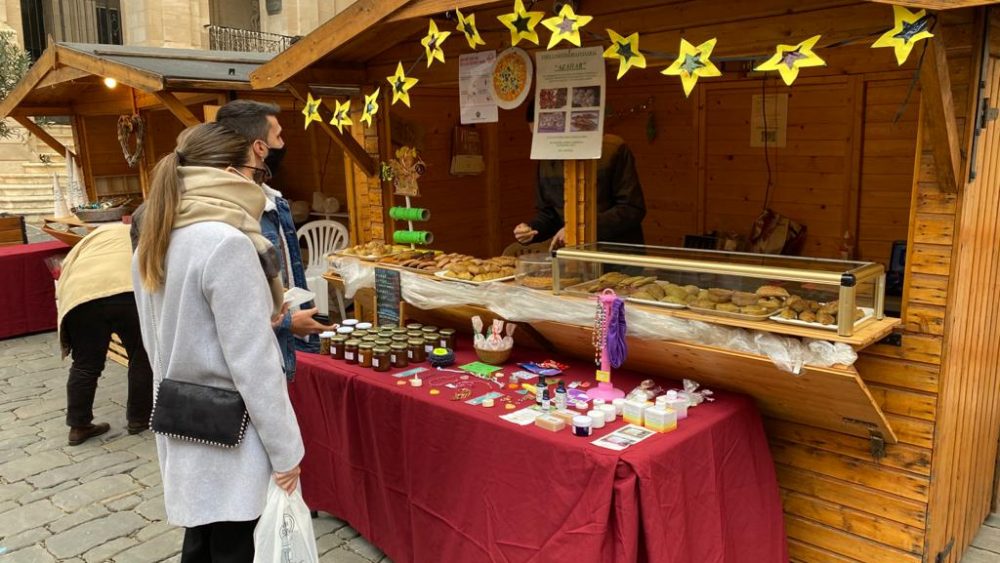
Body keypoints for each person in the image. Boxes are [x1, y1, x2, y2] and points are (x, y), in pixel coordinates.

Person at [133, 122, 303, 562]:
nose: (261, 182)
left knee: (202, 541)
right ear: (231, 171)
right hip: (234, 432)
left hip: (180, 417)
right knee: (234, 544)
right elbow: (255, 364)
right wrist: (288, 452)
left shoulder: (157, 235)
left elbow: (155, 341)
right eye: (258, 171)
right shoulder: (226, 242)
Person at [215, 99, 334, 381]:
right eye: (278, 136)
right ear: (259, 147)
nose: (283, 144)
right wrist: (288, 323)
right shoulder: (231, 209)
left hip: (286, 347)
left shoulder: (271, 200)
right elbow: (234, 300)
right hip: (260, 361)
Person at [57, 223, 153, 446]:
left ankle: (78, 425)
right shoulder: (139, 233)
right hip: (126, 291)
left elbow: (66, 270)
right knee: (140, 357)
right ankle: (138, 419)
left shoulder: (89, 241)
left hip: (82, 297)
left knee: (85, 364)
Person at [514, 104, 647, 250]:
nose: (540, 143)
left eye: (544, 136)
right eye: (535, 137)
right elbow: (548, 213)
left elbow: (631, 208)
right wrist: (531, 229)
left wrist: (576, 229)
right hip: (574, 257)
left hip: (618, 254)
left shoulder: (612, 149)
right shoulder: (545, 160)